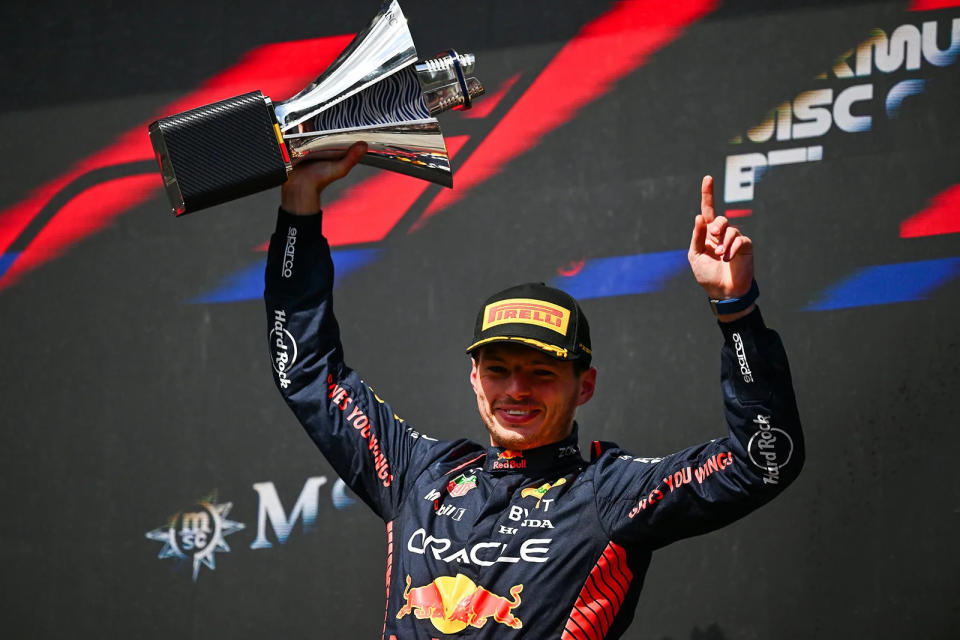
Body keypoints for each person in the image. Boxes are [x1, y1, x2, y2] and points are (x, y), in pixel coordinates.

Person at [264, 142, 804, 639]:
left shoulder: (609, 494)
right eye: (498, 369)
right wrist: (299, 204)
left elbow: (763, 461)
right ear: (475, 378)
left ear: (584, 386)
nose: (517, 389)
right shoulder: (417, 475)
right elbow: (306, 370)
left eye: (542, 373)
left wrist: (737, 312)